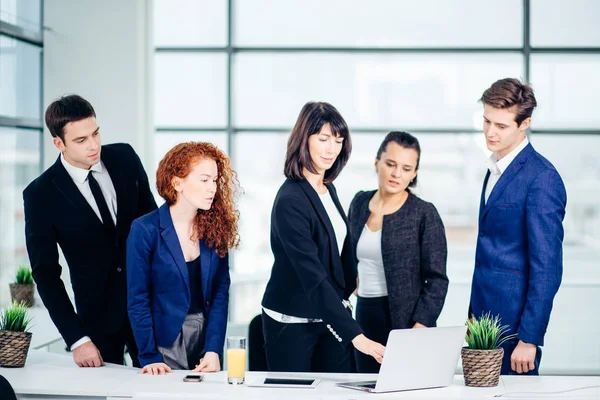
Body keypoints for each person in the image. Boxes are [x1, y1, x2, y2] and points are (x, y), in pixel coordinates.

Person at [23, 95, 157, 368]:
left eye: (95, 133)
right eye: (81, 140)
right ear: (58, 143)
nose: (94, 145)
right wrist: (77, 339)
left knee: (166, 390)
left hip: (149, 307)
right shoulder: (41, 195)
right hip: (97, 322)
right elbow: (46, 275)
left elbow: (155, 228)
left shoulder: (126, 158)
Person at [261, 101, 385, 373]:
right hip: (292, 323)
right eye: (324, 139)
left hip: (327, 317)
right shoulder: (291, 200)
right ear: (304, 139)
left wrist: (351, 285)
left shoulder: (327, 189)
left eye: (338, 141)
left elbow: (337, 250)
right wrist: (357, 336)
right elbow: (312, 276)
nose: (332, 149)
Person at [469, 78, 567, 375]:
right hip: (483, 325)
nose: (489, 132)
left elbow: (547, 266)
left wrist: (530, 337)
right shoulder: (496, 169)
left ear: (524, 124)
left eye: (501, 126)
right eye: (486, 121)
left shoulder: (542, 178)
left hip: (517, 331)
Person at [127, 142, 239, 375]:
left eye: (215, 180)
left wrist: (213, 349)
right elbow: (138, 299)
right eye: (204, 180)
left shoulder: (215, 228)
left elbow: (220, 292)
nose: (213, 188)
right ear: (177, 183)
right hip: (163, 342)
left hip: (205, 339)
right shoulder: (145, 229)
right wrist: (149, 356)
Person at [348, 131, 449, 373]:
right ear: (377, 163)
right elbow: (349, 256)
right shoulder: (360, 202)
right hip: (364, 316)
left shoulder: (424, 213)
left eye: (406, 168)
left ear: (414, 173)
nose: (396, 174)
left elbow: (437, 280)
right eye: (391, 164)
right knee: (363, 388)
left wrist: (419, 328)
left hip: (407, 322)